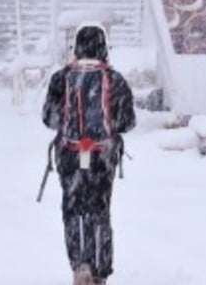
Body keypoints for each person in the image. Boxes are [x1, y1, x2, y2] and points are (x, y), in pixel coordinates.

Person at [42, 24, 136, 285]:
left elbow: (49, 119)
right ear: (103, 46)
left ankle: (79, 264)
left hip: (71, 156)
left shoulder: (62, 78)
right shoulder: (114, 79)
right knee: (100, 212)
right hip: (102, 157)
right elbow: (127, 122)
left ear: (77, 47)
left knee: (73, 211)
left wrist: (70, 126)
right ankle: (100, 271)